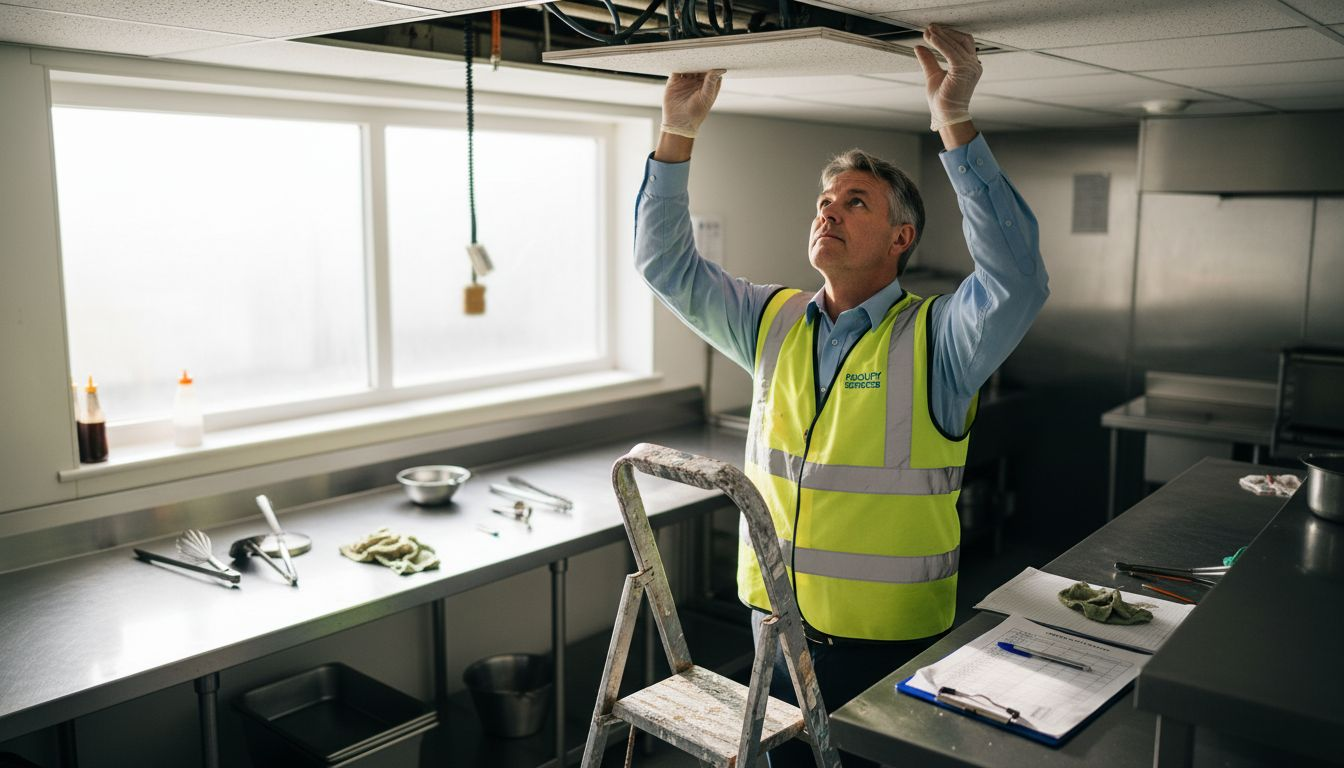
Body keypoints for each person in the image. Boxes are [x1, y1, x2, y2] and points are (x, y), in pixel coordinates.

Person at [635, 23, 1048, 766]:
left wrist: (953, 121)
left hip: (884, 646)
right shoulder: (772, 319)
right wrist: (675, 133)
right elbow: (666, 266)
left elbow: (1017, 280)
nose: (827, 211)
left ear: (901, 237)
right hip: (772, 628)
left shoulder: (938, 340)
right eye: (825, 201)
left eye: (855, 202)